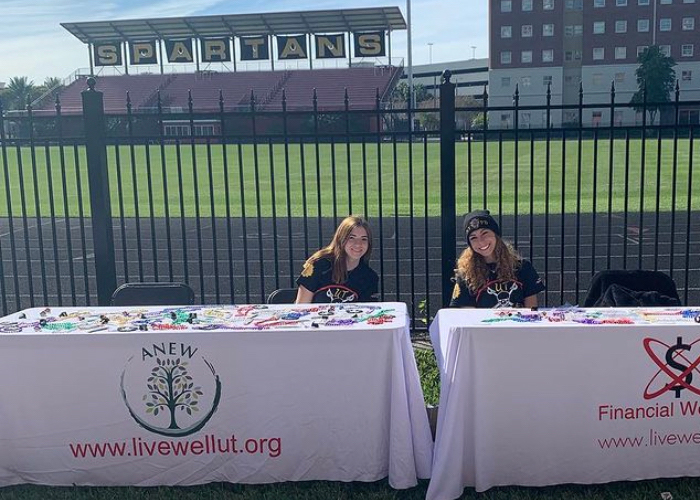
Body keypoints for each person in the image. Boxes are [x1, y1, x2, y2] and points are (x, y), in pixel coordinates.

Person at [450, 209, 545, 308]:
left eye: (485, 233)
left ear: (496, 235)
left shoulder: (522, 267)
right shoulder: (466, 274)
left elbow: (532, 311)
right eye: (473, 238)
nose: (481, 242)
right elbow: (466, 316)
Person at [295, 215, 379, 303]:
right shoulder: (318, 265)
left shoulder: (369, 277)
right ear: (341, 239)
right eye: (351, 238)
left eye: (364, 239)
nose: (358, 244)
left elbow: (368, 313)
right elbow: (301, 307)